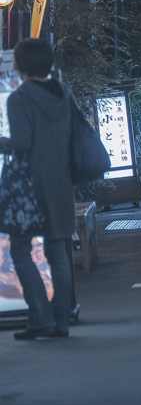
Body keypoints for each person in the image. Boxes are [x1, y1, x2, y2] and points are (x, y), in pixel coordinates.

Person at [0, 38, 75, 340]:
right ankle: (62, 321)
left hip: (29, 185)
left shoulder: (19, 100)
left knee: (19, 248)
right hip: (60, 181)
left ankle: (39, 317)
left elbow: (21, 145)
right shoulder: (62, 93)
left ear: (20, 66)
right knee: (57, 250)